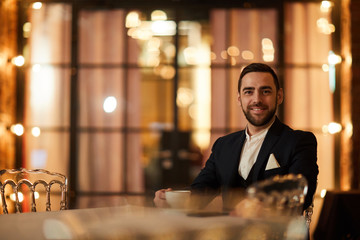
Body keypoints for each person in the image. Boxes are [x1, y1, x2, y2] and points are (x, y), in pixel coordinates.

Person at [154, 62, 319, 213]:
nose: (257, 99)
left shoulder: (299, 141)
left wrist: (262, 207)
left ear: (279, 96)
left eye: (266, 91)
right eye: (249, 92)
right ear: (239, 99)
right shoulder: (224, 145)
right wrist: (172, 199)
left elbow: (300, 196)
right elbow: (199, 192)